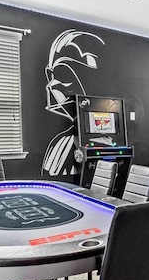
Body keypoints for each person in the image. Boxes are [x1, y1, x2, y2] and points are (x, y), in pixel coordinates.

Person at [41, 29, 105, 178]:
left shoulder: (99, 144)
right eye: (51, 75)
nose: (52, 85)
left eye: (64, 76)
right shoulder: (60, 142)